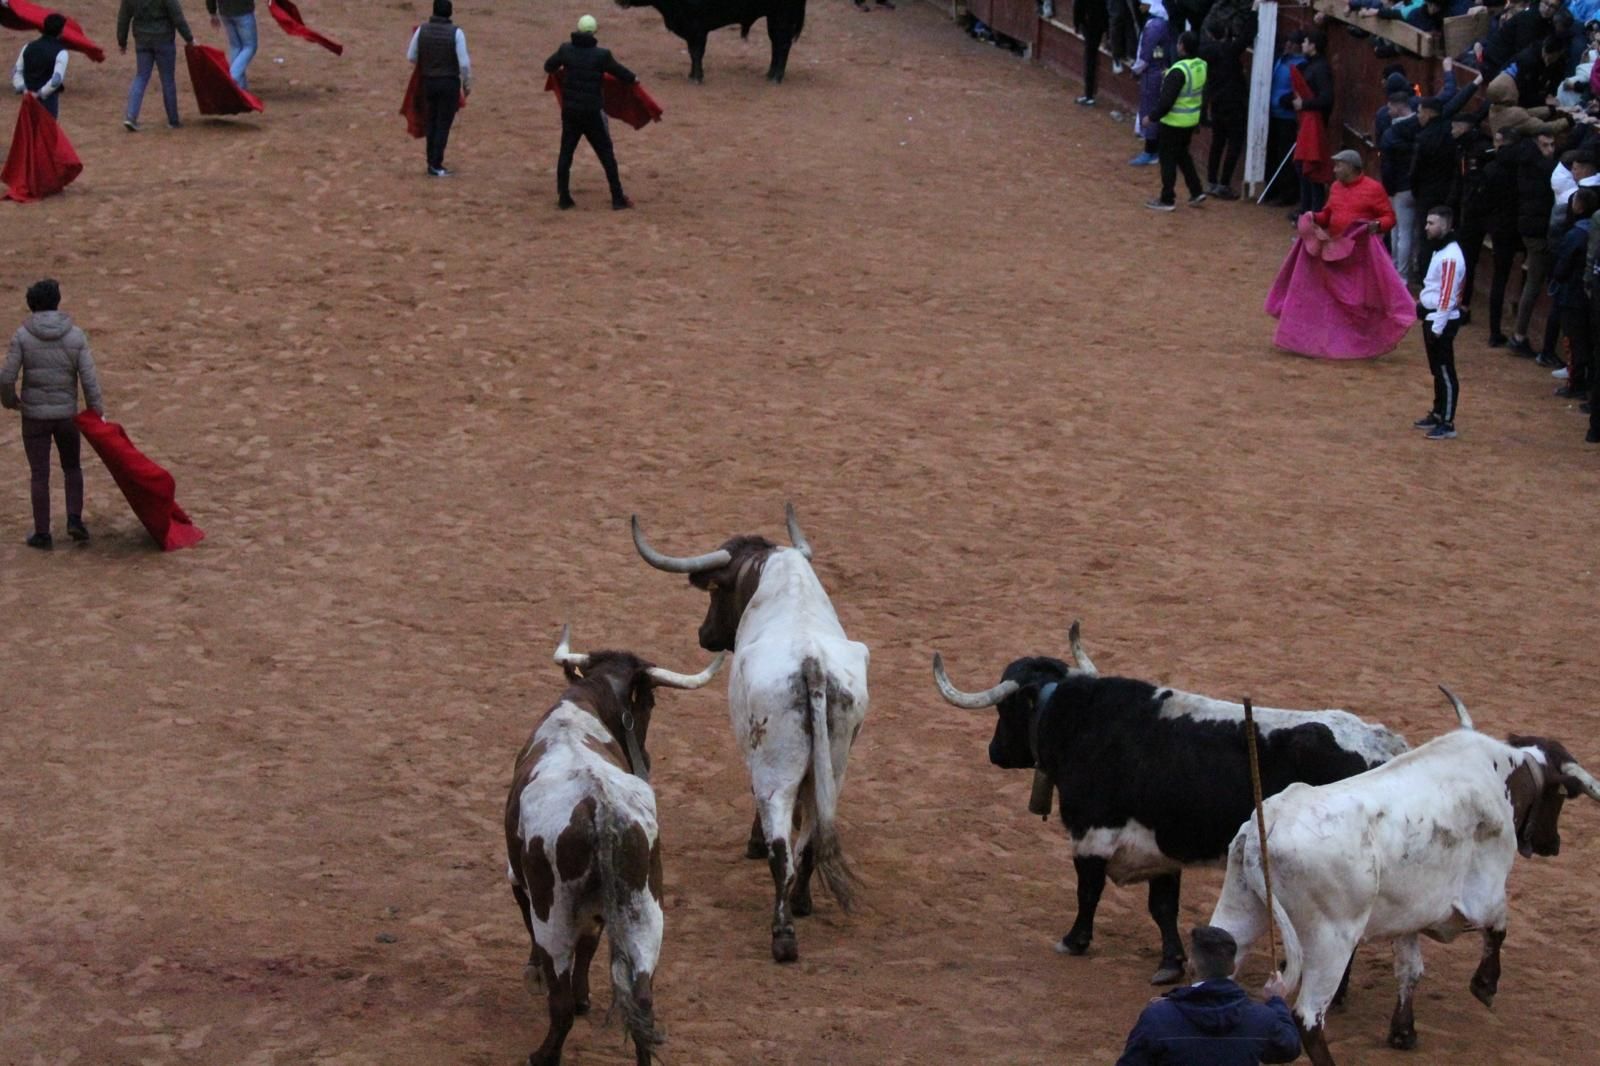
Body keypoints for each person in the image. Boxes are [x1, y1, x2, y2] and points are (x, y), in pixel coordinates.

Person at [0, 279, 103, 550]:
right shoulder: (75, 336)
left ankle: (43, 533)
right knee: (72, 467)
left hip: (34, 416)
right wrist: (96, 413)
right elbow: (89, 380)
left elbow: (7, 377)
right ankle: (74, 519)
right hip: (67, 415)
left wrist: (11, 402)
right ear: (57, 302)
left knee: (39, 474)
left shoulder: (22, 336)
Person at [1115, 925, 1301, 1065]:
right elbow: (1289, 1048)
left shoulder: (1157, 1018)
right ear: (1233, 968)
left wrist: (1167, 1010)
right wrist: (1277, 1001)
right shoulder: (1261, 1019)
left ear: (1191, 966)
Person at [545, 14, 636, 210]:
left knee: (566, 153)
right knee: (606, 155)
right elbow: (622, 73)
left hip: (571, 111)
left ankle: (564, 197)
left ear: (577, 30)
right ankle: (617, 198)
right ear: (594, 33)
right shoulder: (601, 55)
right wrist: (634, 79)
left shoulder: (565, 50)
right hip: (592, 112)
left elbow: (548, 66)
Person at [1415, 205, 1468, 440]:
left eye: (1431, 223)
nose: (1427, 227)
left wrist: (1437, 327)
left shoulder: (1450, 256)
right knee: (1438, 370)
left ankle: (1447, 422)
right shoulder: (1442, 250)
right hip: (1434, 317)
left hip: (1441, 321)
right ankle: (1438, 413)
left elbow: (1447, 296)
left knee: (1445, 372)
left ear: (1445, 226)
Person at [407, 0, 473, 177]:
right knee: (443, 124)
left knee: (431, 121)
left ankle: (431, 162)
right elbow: (464, 64)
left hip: (428, 82)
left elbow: (411, 56)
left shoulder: (422, 30)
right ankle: (436, 164)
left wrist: (428, 62)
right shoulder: (456, 33)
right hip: (449, 83)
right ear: (450, 13)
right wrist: (467, 85)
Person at [1146, 31, 1209, 211]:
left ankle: (1167, 199)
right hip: (1190, 120)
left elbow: (1166, 102)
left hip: (1173, 123)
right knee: (1182, 155)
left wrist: (1151, 117)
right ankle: (1196, 191)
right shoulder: (1201, 65)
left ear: (1182, 46)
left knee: (1167, 159)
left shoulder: (1178, 71)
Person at [117, 0, 195, 132]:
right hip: (164, 39)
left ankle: (131, 116)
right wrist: (189, 39)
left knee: (141, 77)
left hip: (142, 40)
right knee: (167, 79)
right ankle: (173, 120)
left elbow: (123, 17)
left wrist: (122, 41)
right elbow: (177, 16)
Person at [1199, 23, 1247, 198]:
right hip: (1235, 103)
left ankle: (1211, 181)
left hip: (1217, 103)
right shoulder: (1229, 50)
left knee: (1217, 143)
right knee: (1234, 143)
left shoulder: (1206, 52)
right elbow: (1245, 39)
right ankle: (1224, 184)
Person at [1292, 30, 1335, 217]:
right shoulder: (1314, 66)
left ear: (1313, 46)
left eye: (1305, 42)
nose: (1302, 45)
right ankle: (1306, 210)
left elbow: (1327, 99)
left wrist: (1304, 104)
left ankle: (1313, 213)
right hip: (1309, 123)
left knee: (1311, 169)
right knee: (1304, 167)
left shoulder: (1320, 68)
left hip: (1315, 125)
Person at [1130, 0, 1175, 166]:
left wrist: (1136, 70)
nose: (1140, 6)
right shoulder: (1161, 23)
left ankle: (1150, 150)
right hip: (1158, 70)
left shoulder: (1154, 26)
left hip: (1152, 73)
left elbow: (1145, 55)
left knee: (1149, 109)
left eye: (1143, 3)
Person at [1312, 148, 1396, 236]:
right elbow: (1327, 216)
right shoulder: (1335, 186)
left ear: (1350, 168)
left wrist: (1377, 224)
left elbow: (1390, 217)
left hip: (1362, 242)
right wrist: (1314, 217)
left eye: (1338, 166)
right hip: (1336, 242)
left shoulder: (1374, 188)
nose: (1334, 170)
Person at [10, 12, 69, 119]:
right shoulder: (61, 52)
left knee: (28, 128)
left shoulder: (28, 46)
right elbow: (56, 80)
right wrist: (39, 94)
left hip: (28, 100)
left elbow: (16, 71)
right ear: (61, 32)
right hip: (48, 102)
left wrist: (24, 90)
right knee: (46, 129)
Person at [205, 0, 256, 90]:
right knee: (249, 46)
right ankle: (232, 77)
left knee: (236, 46)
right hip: (242, 10)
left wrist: (212, 12)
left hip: (225, 12)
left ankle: (240, 88)